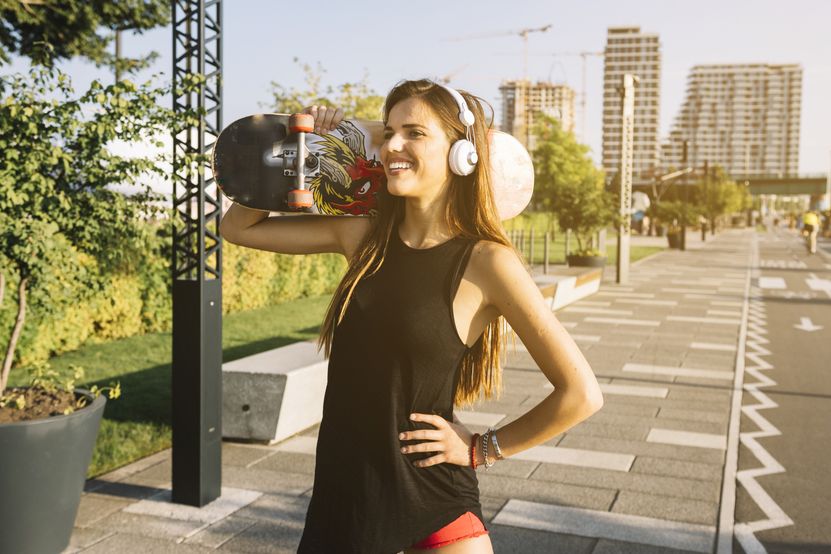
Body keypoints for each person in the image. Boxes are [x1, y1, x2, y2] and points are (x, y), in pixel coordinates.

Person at [219, 79, 603, 553]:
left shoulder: (487, 262)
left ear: (461, 154)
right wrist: (299, 145)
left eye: (414, 133)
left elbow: (581, 394)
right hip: (344, 507)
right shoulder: (361, 234)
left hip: (436, 513)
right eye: (387, 132)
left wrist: (482, 448)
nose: (392, 146)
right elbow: (237, 228)